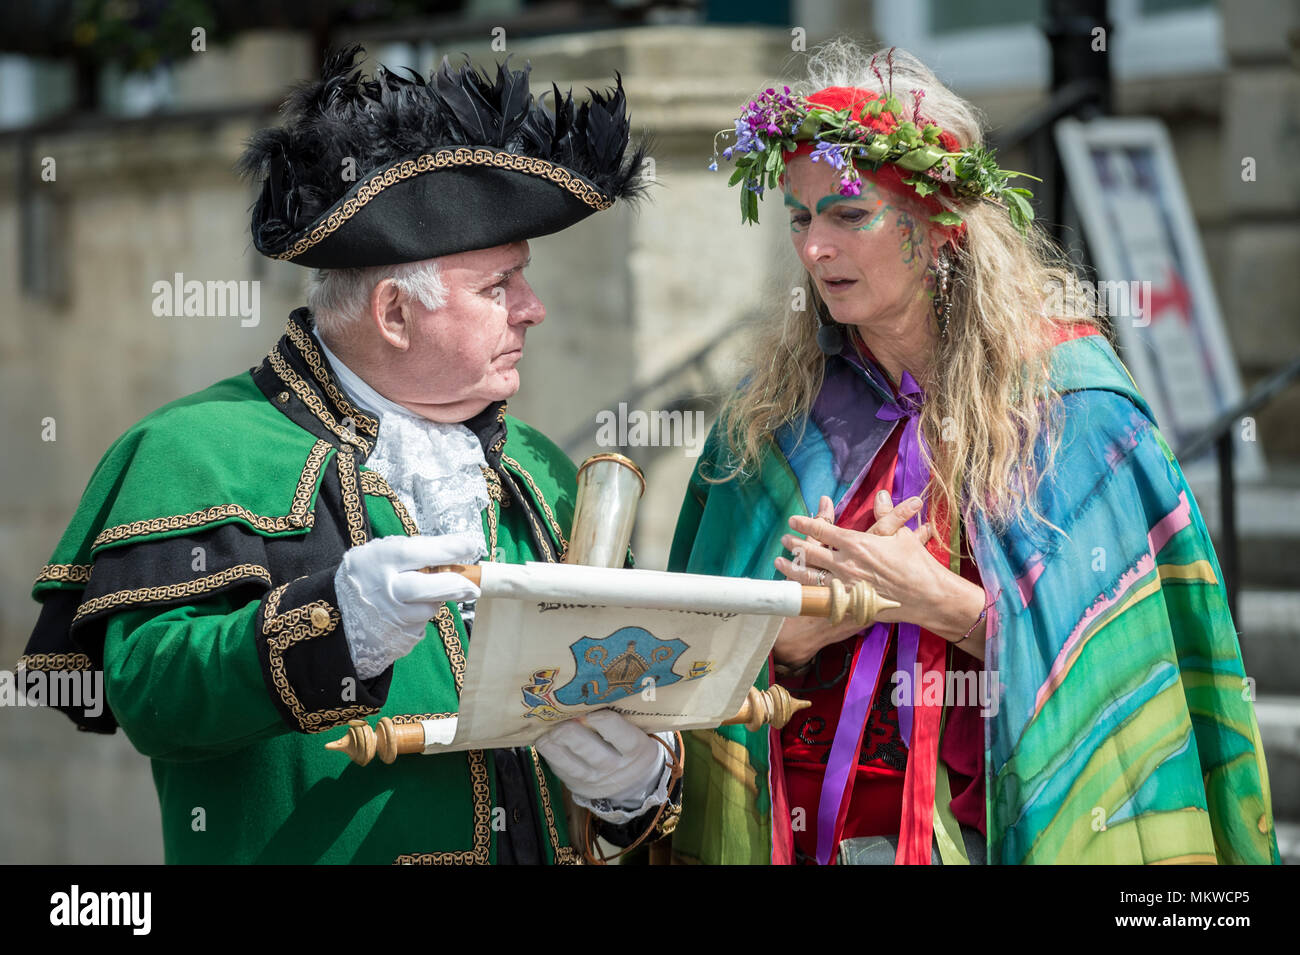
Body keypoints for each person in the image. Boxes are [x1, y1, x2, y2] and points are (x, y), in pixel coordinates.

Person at [21, 47, 681, 864]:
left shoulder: (537, 470)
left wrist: (634, 789)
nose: (533, 310)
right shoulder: (195, 451)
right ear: (395, 313)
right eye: (498, 286)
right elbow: (150, 695)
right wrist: (336, 629)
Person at [668, 42, 1279, 865]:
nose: (813, 248)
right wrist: (789, 635)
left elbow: (1122, 666)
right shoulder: (772, 417)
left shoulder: (1072, 408)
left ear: (942, 222)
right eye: (800, 217)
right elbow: (683, 644)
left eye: (848, 214)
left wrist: (940, 601)